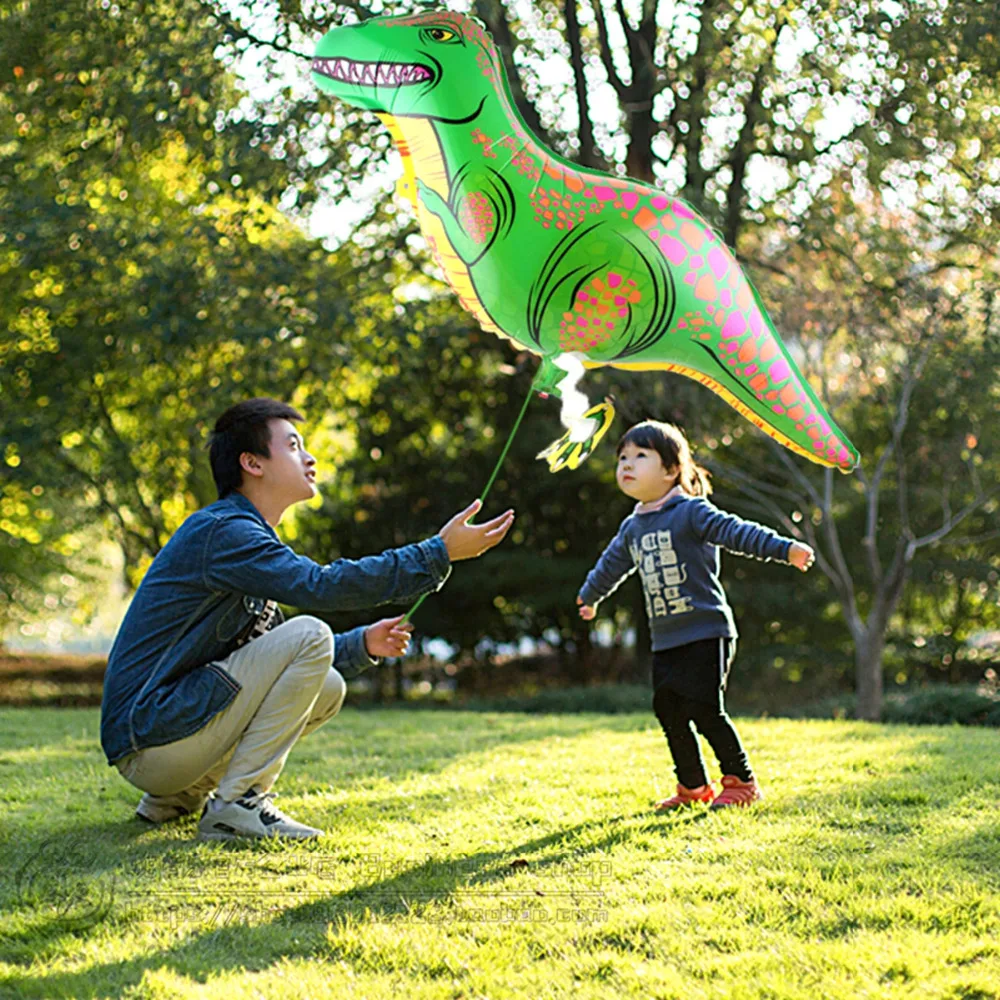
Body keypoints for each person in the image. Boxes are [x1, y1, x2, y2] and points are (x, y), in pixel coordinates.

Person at [101, 397, 514, 841]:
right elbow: (321, 586)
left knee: (328, 685)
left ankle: (180, 797)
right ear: (251, 463)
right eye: (294, 445)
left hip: (164, 748)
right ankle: (238, 804)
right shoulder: (225, 531)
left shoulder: (246, 538)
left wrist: (362, 645)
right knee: (312, 631)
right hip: (149, 736)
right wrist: (437, 552)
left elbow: (275, 656)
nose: (309, 457)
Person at [576, 420, 814, 810]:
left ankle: (741, 782)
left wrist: (785, 549)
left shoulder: (691, 512)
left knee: (703, 707)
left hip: (706, 630)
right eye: (622, 457)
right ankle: (692, 787)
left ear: (671, 470)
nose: (627, 465)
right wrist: (590, 595)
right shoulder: (632, 527)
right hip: (666, 637)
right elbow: (611, 565)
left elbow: (737, 532)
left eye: (640, 455)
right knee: (668, 708)